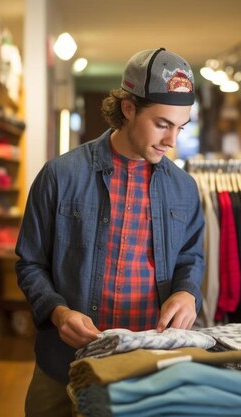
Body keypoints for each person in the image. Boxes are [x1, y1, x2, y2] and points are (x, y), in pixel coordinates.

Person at [15, 48, 205, 417]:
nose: (172, 142)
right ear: (128, 108)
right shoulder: (60, 175)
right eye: (163, 124)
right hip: (65, 364)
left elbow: (190, 257)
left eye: (180, 127)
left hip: (148, 364)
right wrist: (57, 312)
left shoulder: (184, 188)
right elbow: (30, 263)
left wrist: (186, 292)